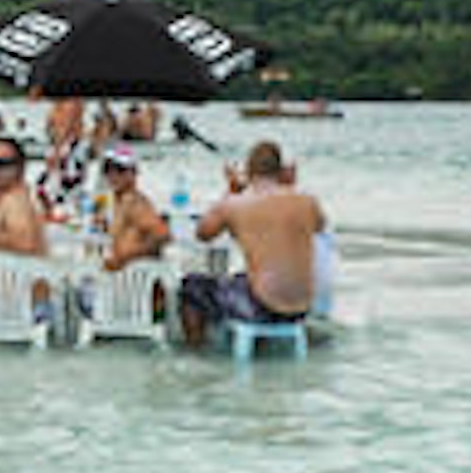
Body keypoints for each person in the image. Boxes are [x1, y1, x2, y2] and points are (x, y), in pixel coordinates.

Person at [179, 140, 326, 348]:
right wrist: (290, 186)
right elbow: (319, 226)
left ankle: (194, 352)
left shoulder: (235, 203)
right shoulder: (308, 201)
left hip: (262, 308)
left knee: (192, 286)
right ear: (281, 171)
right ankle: (263, 348)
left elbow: (203, 233)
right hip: (302, 309)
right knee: (245, 278)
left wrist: (231, 191)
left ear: (247, 171)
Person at [98, 143, 170, 271]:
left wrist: (128, 255)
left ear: (133, 172)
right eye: (108, 169)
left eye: (120, 169)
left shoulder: (136, 203)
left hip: (129, 277)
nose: (113, 175)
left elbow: (163, 235)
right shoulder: (115, 202)